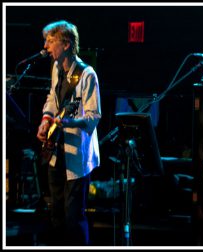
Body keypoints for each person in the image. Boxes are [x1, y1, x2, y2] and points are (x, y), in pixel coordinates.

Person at [36, 20, 101, 245]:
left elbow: (94, 117)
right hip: (56, 151)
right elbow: (53, 100)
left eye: (50, 41)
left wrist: (70, 122)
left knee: (74, 217)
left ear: (65, 44)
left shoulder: (87, 74)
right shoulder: (56, 68)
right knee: (56, 215)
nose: (45, 46)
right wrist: (46, 121)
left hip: (77, 156)